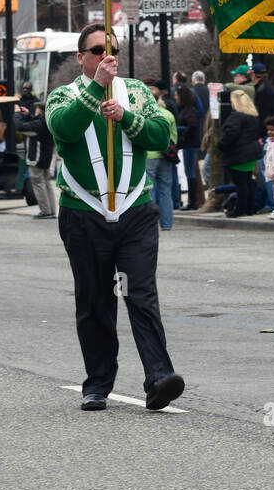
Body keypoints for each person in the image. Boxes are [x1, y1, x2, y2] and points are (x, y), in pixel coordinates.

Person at [46, 24, 184, 412]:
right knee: (95, 300)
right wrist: (95, 90)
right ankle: (97, 382)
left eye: (113, 50)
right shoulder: (63, 94)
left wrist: (125, 116)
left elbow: (160, 136)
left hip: (135, 210)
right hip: (83, 212)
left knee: (141, 294)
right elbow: (64, 129)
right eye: (96, 50)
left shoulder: (136, 92)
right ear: (80, 57)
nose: (106, 56)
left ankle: (160, 377)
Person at [217, 86, 263, 217]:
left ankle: (240, 210)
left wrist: (220, 145)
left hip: (237, 154)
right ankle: (248, 209)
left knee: (240, 184)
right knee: (247, 181)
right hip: (250, 153)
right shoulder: (253, 116)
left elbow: (230, 135)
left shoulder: (236, 117)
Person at [15, 100, 57, 218]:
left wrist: (17, 113)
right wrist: (28, 115)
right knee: (47, 183)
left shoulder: (39, 124)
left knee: (38, 183)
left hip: (36, 158)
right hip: (46, 158)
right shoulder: (47, 121)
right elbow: (34, 122)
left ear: (40, 110)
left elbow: (20, 126)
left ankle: (45, 211)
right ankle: (51, 210)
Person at [145, 83, 178, 231]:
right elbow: (174, 137)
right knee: (165, 189)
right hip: (166, 155)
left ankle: (150, 222)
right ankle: (166, 223)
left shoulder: (143, 114)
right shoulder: (168, 114)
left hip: (149, 154)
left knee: (149, 190)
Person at [175, 84, 201, 210]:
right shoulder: (187, 109)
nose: (175, 97)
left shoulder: (189, 110)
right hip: (189, 144)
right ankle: (192, 201)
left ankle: (193, 201)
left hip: (189, 144)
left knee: (190, 173)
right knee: (189, 172)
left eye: (177, 95)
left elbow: (192, 126)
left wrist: (181, 133)